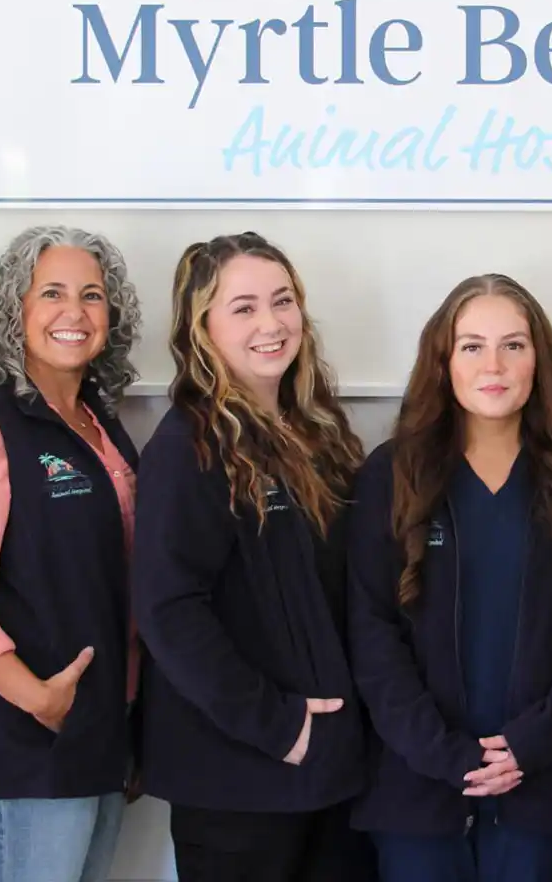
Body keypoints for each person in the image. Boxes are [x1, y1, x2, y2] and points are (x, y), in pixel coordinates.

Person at [348, 274, 552, 882]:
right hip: (414, 787)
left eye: (514, 345)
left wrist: (533, 741)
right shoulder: (392, 475)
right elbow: (371, 633)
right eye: (471, 345)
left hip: (537, 784)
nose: (492, 364)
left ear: (539, 359)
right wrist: (443, 753)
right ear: (443, 361)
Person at [131, 232, 376, 881]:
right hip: (240, 778)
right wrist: (279, 725)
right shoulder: (190, 446)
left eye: (283, 301)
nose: (271, 324)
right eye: (243, 308)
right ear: (202, 327)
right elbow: (168, 609)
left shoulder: (320, 437)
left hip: (329, 772)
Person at [0, 226, 145, 882]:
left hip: (92, 734)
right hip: (21, 738)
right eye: (53, 293)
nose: (75, 312)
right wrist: (39, 699)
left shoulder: (100, 426)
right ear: (15, 310)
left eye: (93, 296)